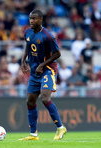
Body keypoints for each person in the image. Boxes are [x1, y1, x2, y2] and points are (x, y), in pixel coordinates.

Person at [19, 10, 67, 141]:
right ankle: (33, 134)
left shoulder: (47, 36)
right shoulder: (27, 32)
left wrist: (42, 65)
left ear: (40, 20)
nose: (31, 21)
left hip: (47, 70)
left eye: (34, 18)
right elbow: (28, 46)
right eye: (30, 18)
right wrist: (23, 60)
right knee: (30, 100)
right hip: (35, 71)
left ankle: (60, 127)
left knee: (45, 98)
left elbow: (57, 54)